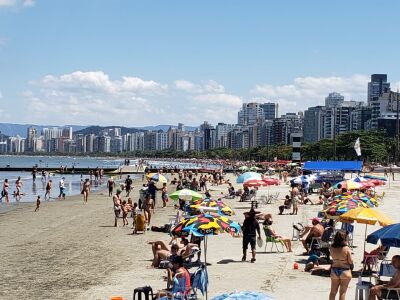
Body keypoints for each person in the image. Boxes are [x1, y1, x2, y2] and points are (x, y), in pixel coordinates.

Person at [329, 231, 353, 300]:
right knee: (342, 292)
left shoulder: (332, 248)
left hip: (334, 270)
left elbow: (332, 258)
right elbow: (350, 261)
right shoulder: (346, 249)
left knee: (333, 292)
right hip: (345, 271)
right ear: (344, 238)